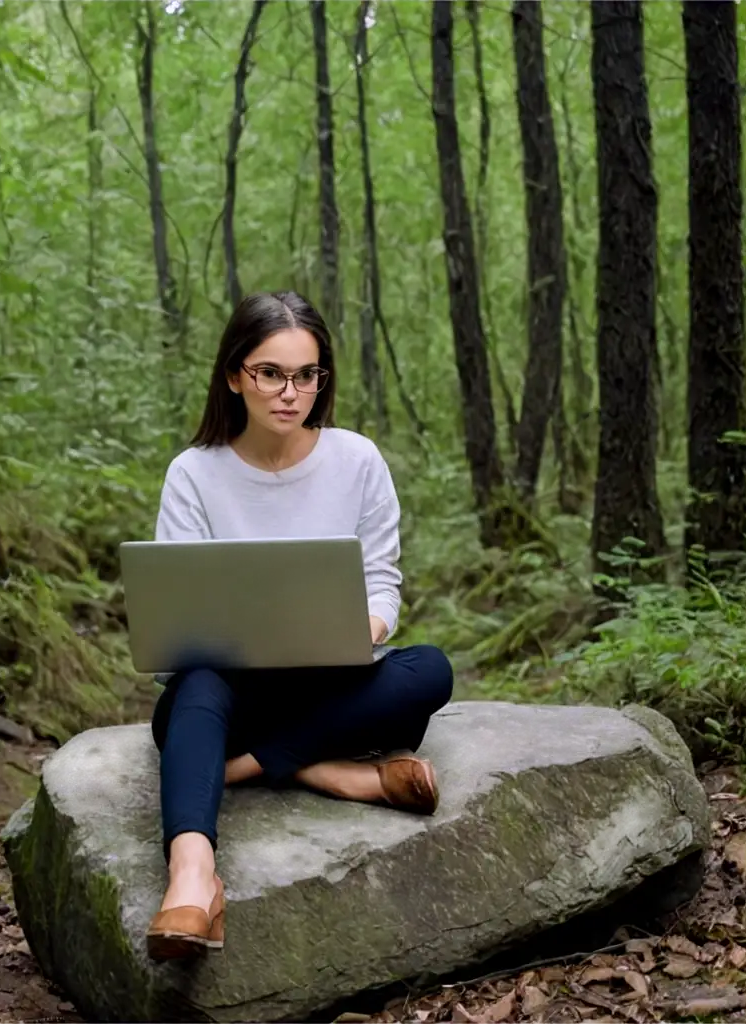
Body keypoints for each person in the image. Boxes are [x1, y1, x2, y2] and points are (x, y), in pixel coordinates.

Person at [144, 291, 454, 961]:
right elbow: (182, 616)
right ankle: (194, 877)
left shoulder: (357, 460)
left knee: (428, 670)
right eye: (271, 373)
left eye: (307, 375)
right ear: (235, 375)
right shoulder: (194, 474)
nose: (292, 393)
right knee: (188, 698)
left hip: (332, 676)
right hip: (232, 687)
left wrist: (359, 630)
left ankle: (250, 765)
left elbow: (382, 585)